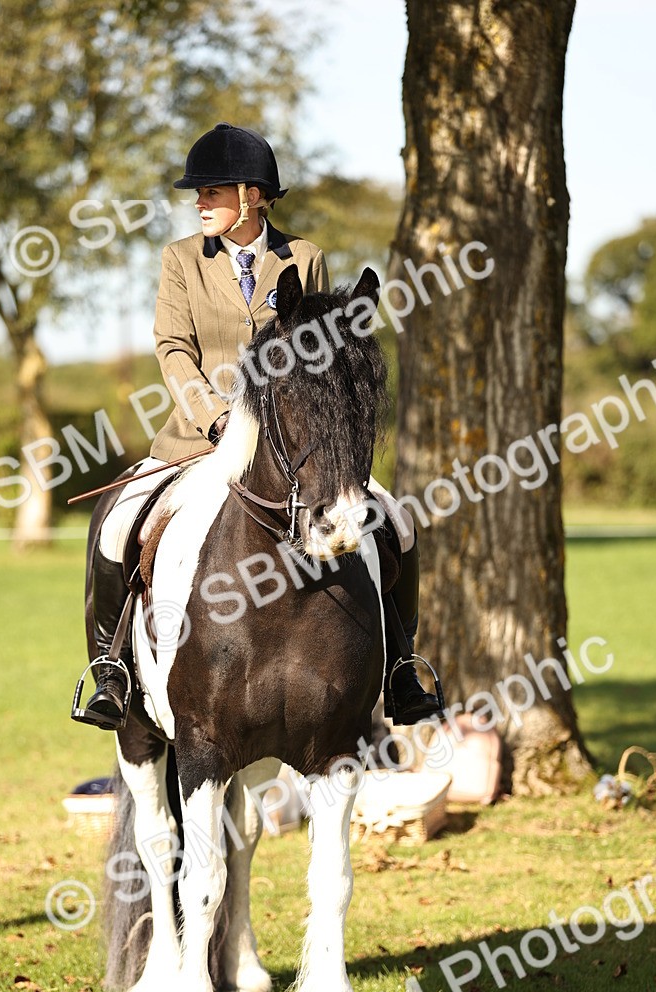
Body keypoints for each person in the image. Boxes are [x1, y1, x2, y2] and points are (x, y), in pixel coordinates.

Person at [72, 123, 441, 731]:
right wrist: (216, 418)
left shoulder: (306, 258)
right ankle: (110, 670)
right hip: (197, 441)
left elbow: (323, 357)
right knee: (116, 526)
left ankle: (402, 667)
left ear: (252, 195)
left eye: (210, 192)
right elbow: (172, 349)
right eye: (199, 195)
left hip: (295, 447)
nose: (198, 204)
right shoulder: (181, 260)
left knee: (395, 523)